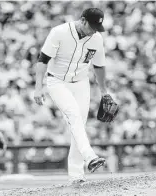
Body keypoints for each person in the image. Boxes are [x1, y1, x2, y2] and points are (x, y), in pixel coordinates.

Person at [34, 8, 109, 184]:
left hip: (82, 83)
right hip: (57, 82)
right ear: (82, 20)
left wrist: (104, 91)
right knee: (74, 116)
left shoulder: (97, 38)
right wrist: (38, 88)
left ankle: (76, 176)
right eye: (92, 26)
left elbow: (99, 66)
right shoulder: (59, 32)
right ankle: (90, 156)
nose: (94, 30)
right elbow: (42, 60)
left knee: (79, 125)